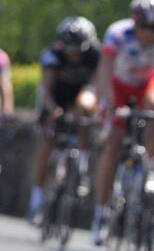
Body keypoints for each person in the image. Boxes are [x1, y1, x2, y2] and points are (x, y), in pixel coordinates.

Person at [90, 0, 154, 251]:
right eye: (143, 27)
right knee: (113, 144)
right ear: (134, 23)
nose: (149, 33)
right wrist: (108, 104)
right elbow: (103, 72)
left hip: (149, 84)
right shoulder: (117, 34)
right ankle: (101, 213)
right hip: (119, 85)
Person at [28, 17, 102, 222]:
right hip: (56, 97)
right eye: (69, 48)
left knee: (85, 111)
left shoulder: (96, 55)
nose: (73, 53)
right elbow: (46, 89)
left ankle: (82, 164)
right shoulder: (53, 55)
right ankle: (37, 198)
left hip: (82, 96)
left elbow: (97, 88)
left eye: (78, 49)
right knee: (46, 144)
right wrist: (53, 110)